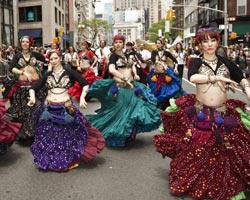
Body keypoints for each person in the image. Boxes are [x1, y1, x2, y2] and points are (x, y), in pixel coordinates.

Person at [153, 27, 250, 200]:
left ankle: (222, 183)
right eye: (205, 41)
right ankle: (199, 182)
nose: (210, 44)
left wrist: (247, 89)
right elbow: (193, 78)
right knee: (197, 151)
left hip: (223, 111)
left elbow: (241, 77)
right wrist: (217, 78)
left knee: (225, 152)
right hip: (201, 112)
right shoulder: (196, 61)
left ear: (218, 42)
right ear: (200, 44)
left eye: (213, 40)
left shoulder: (225, 62)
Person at [27, 49, 105, 171]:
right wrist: (32, 98)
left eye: (55, 58)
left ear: (60, 58)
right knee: (48, 137)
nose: (53, 61)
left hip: (65, 107)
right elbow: (33, 88)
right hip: (49, 108)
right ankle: (50, 160)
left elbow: (84, 83)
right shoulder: (47, 74)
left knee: (66, 137)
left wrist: (83, 97)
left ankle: (64, 159)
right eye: (51, 59)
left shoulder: (69, 72)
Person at [86, 35, 162, 147]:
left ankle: (130, 131)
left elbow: (131, 67)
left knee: (139, 107)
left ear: (123, 43)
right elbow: (112, 70)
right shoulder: (113, 57)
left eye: (120, 42)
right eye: (115, 42)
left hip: (132, 86)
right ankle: (118, 132)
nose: (117, 44)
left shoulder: (127, 55)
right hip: (120, 87)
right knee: (120, 112)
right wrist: (123, 78)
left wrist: (135, 74)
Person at [3, 36, 47, 145]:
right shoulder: (17, 56)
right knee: (23, 111)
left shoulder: (35, 54)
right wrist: (23, 73)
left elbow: (47, 60)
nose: (25, 43)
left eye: (27, 42)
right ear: (20, 43)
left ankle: (36, 133)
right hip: (22, 86)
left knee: (35, 109)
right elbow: (11, 68)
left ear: (30, 43)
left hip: (35, 86)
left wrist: (45, 68)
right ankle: (26, 134)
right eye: (23, 42)